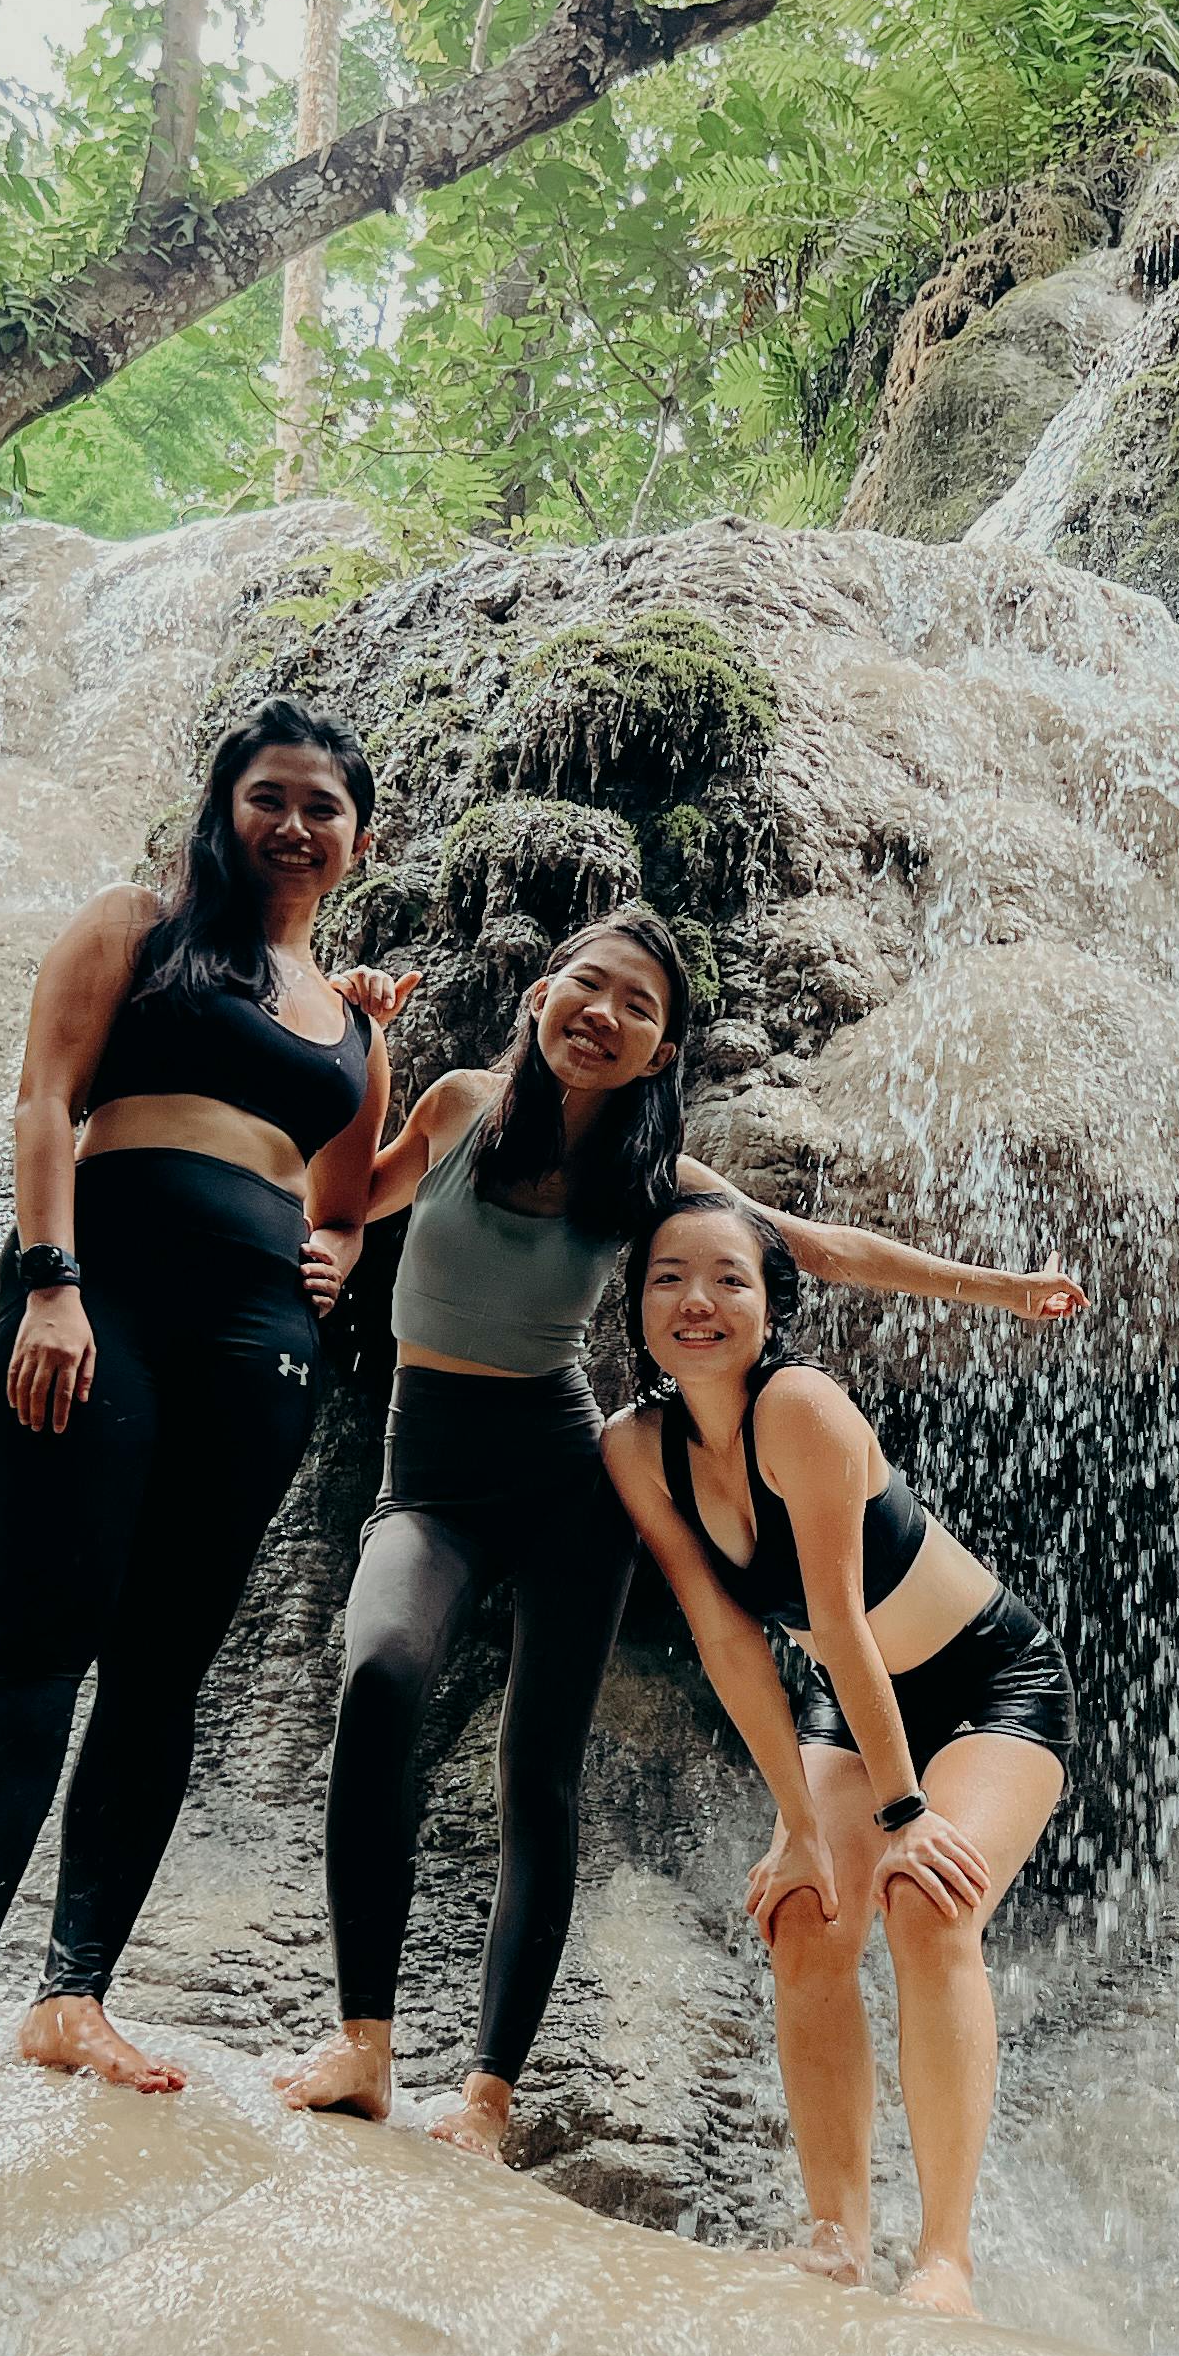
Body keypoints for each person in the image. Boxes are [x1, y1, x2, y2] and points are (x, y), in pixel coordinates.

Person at [269, 904, 1079, 2152]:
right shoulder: (455, 1105)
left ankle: (487, 2093)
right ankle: (364, 2043)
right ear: (542, 993)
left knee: (536, 1771)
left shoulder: (645, 1178)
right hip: (426, 1469)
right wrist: (346, 1112)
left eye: (639, 1006)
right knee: (379, 1671)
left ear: (660, 1053)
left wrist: (997, 1287)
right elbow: (351, 1196)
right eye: (588, 985)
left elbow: (813, 1250)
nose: (604, 1013)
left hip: (566, 1477)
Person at [0, 700, 408, 2148]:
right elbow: (47, 1099)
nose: (294, 825)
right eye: (269, 795)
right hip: (97, 1296)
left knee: (163, 1671)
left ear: (358, 840)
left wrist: (341, 1257)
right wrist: (51, 1283)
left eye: (324, 807)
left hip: (259, 1348)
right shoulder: (139, 925)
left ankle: (75, 1995)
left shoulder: (354, 1019)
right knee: (37, 1644)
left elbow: (349, 1195)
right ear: (223, 804)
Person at [602, 1190, 1074, 2317]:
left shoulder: (801, 1406)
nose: (698, 1302)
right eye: (668, 1278)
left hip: (987, 1686)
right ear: (634, 1307)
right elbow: (728, 1639)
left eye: (729, 1278)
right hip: (847, 1701)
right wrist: (803, 1829)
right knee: (804, 1914)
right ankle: (835, 2239)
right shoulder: (635, 1447)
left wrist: (905, 1818)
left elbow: (842, 1616)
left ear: (772, 1304)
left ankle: (945, 2261)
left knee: (926, 1903)